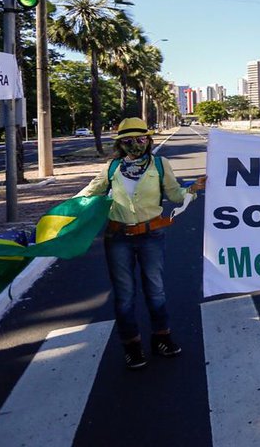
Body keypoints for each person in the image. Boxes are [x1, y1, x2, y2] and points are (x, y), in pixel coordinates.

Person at [76, 117, 206, 370]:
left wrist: (193, 187)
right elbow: (89, 194)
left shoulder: (160, 164)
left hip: (151, 236)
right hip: (118, 238)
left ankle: (161, 338)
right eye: (128, 140)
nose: (135, 143)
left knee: (155, 290)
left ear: (148, 140)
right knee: (124, 295)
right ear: (120, 144)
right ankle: (132, 346)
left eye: (141, 138)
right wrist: (61, 214)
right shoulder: (112, 168)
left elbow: (174, 193)